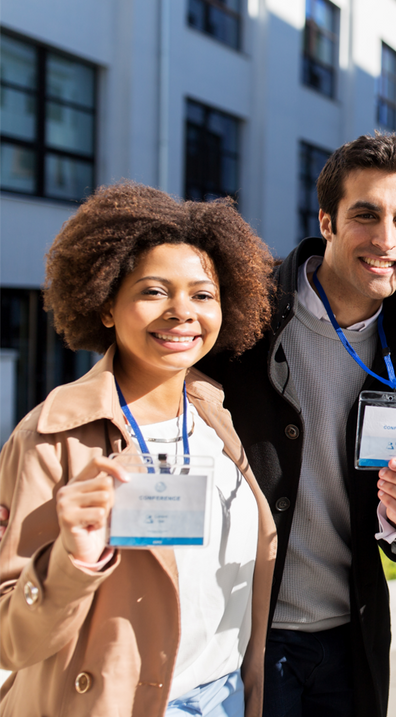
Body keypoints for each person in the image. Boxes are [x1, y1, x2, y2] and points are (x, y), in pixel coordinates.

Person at [0, 182, 276, 717]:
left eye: (202, 294)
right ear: (106, 306)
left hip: (225, 696)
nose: (182, 312)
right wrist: (72, 560)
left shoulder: (215, 417)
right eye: (154, 291)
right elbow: (10, 637)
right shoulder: (50, 436)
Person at [201, 133, 396, 717]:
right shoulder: (242, 316)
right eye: (366, 215)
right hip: (243, 632)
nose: (387, 239)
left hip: (351, 638)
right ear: (327, 222)